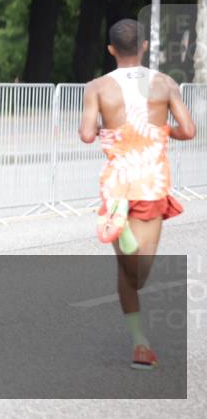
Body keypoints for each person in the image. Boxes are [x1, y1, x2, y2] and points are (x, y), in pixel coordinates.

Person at [78, 18, 196, 370]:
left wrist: (104, 127)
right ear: (144, 46)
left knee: (125, 270)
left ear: (111, 49)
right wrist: (163, 131)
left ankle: (140, 343)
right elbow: (189, 130)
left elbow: (86, 135)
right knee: (140, 274)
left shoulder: (97, 86)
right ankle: (127, 242)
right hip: (150, 183)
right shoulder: (165, 83)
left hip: (117, 184)